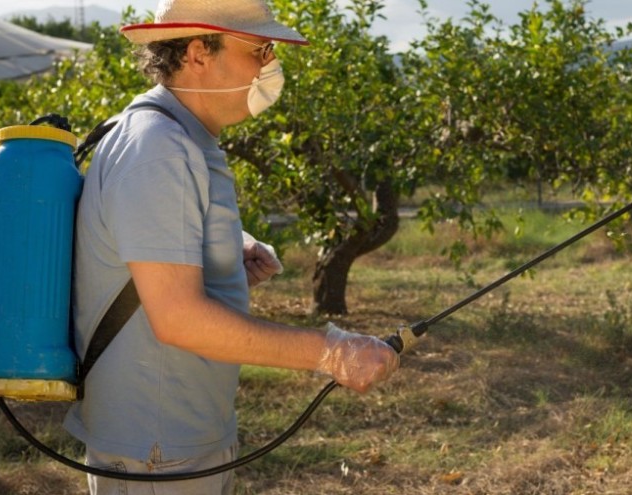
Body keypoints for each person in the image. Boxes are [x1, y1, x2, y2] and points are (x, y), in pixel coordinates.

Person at [63, 1, 400, 493]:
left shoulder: (183, 139)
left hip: (177, 442)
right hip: (158, 450)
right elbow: (178, 318)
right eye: (259, 49)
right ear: (199, 52)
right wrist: (332, 352)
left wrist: (223, 264)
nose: (270, 65)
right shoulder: (159, 148)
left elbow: (148, 280)